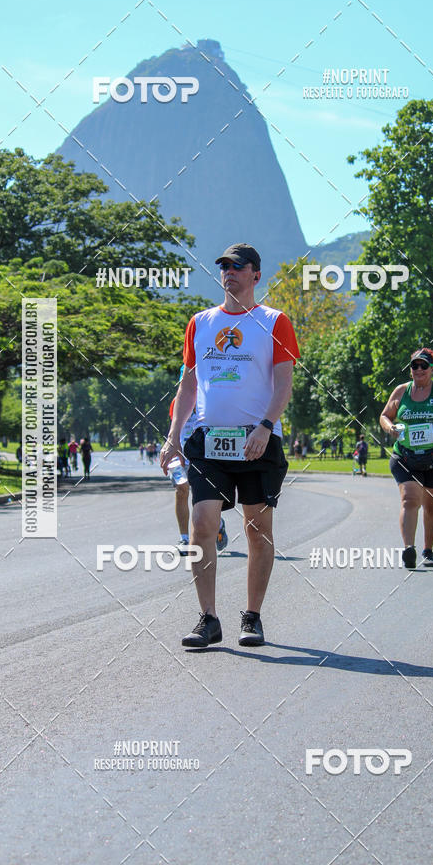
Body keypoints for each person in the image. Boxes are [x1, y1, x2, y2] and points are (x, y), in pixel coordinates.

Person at [160, 243, 299, 648]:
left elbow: (284, 383)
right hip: (209, 441)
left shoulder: (275, 322)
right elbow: (188, 385)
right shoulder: (200, 322)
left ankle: (252, 616)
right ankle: (208, 618)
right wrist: (174, 436)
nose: (229, 272)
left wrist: (265, 426)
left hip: (257, 441)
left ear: (256, 275)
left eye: (238, 267)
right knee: (202, 522)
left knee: (257, 530)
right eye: (224, 266)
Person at [380, 347, 433, 569]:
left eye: (423, 366)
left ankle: (428, 550)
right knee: (409, 499)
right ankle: (409, 549)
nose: (418, 369)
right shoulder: (401, 391)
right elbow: (385, 415)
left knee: (432, 506)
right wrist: (390, 428)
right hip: (405, 456)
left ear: (432, 369)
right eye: (414, 366)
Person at [168, 367, 227, 556]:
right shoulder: (177, 403)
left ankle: (217, 523)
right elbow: (175, 427)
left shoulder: (208, 401)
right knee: (181, 489)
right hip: (180, 453)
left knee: (203, 495)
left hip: (203, 454)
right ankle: (184, 538)